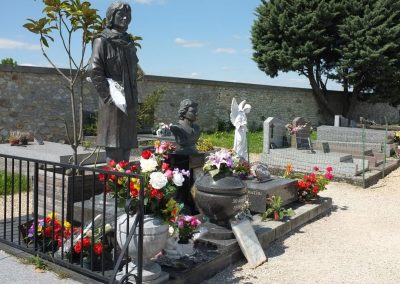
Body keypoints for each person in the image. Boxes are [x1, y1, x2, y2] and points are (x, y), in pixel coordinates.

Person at [88, 1, 138, 163]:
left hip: (129, 98)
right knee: (114, 146)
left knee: (126, 146)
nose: (125, 18)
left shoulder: (129, 43)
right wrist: (109, 97)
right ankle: (112, 187)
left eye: (128, 15)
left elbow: (134, 71)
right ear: (111, 16)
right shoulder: (102, 41)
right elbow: (95, 70)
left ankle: (125, 187)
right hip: (113, 97)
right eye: (121, 14)